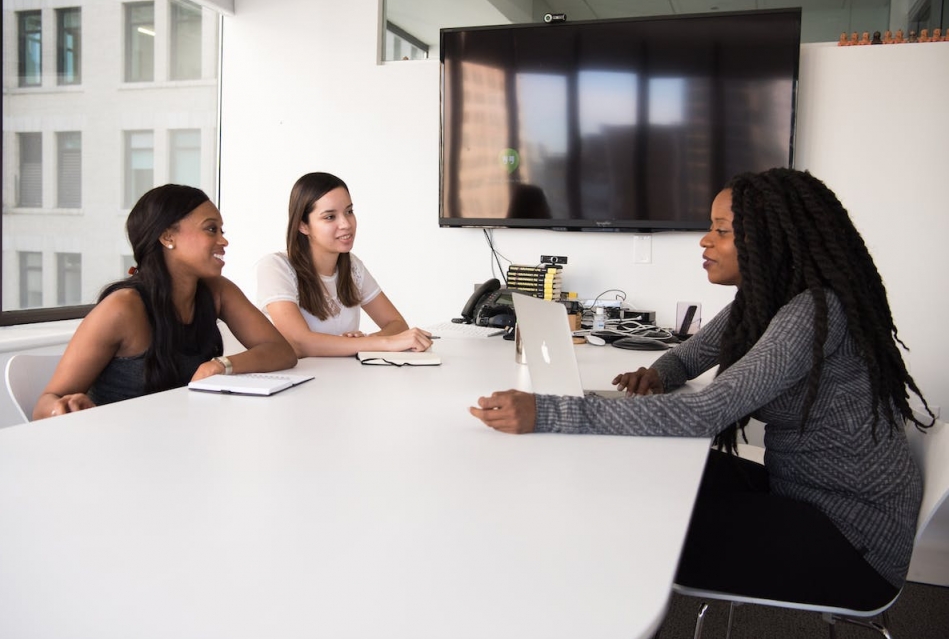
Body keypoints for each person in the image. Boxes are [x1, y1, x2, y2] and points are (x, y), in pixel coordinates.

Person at [469, 168, 934, 611]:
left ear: (769, 240)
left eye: (723, 230)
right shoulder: (764, 302)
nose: (705, 240)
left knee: (636, 526)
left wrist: (549, 413)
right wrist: (660, 373)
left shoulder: (814, 312)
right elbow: (692, 354)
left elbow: (705, 412)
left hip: (852, 540)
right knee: (649, 474)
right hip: (802, 492)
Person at [33, 185, 297, 420]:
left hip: (182, 440)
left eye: (221, 230)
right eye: (210, 229)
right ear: (168, 237)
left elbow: (281, 351)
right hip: (120, 451)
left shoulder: (218, 291)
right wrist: (62, 407)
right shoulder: (122, 308)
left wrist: (220, 365)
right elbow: (44, 405)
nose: (223, 240)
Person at [257, 172, 432, 357]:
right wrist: (374, 343)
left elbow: (397, 324)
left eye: (349, 211)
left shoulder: (353, 266)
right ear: (303, 225)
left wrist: (362, 343)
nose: (346, 224)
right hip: (301, 382)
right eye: (330, 217)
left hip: (345, 379)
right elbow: (300, 343)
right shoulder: (276, 267)